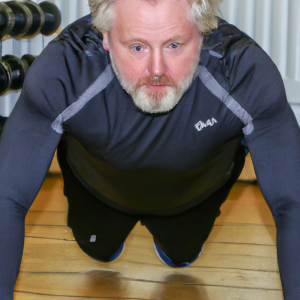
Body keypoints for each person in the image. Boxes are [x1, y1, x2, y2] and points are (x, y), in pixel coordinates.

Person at [0, 0, 299, 299]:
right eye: (137, 47)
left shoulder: (242, 72)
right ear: (105, 36)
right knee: (97, 247)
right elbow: (7, 198)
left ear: (203, 33)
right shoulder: (65, 68)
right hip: (97, 189)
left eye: (174, 45)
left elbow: (292, 205)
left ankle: (177, 239)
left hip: (193, 195)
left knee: (180, 254)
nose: (157, 70)